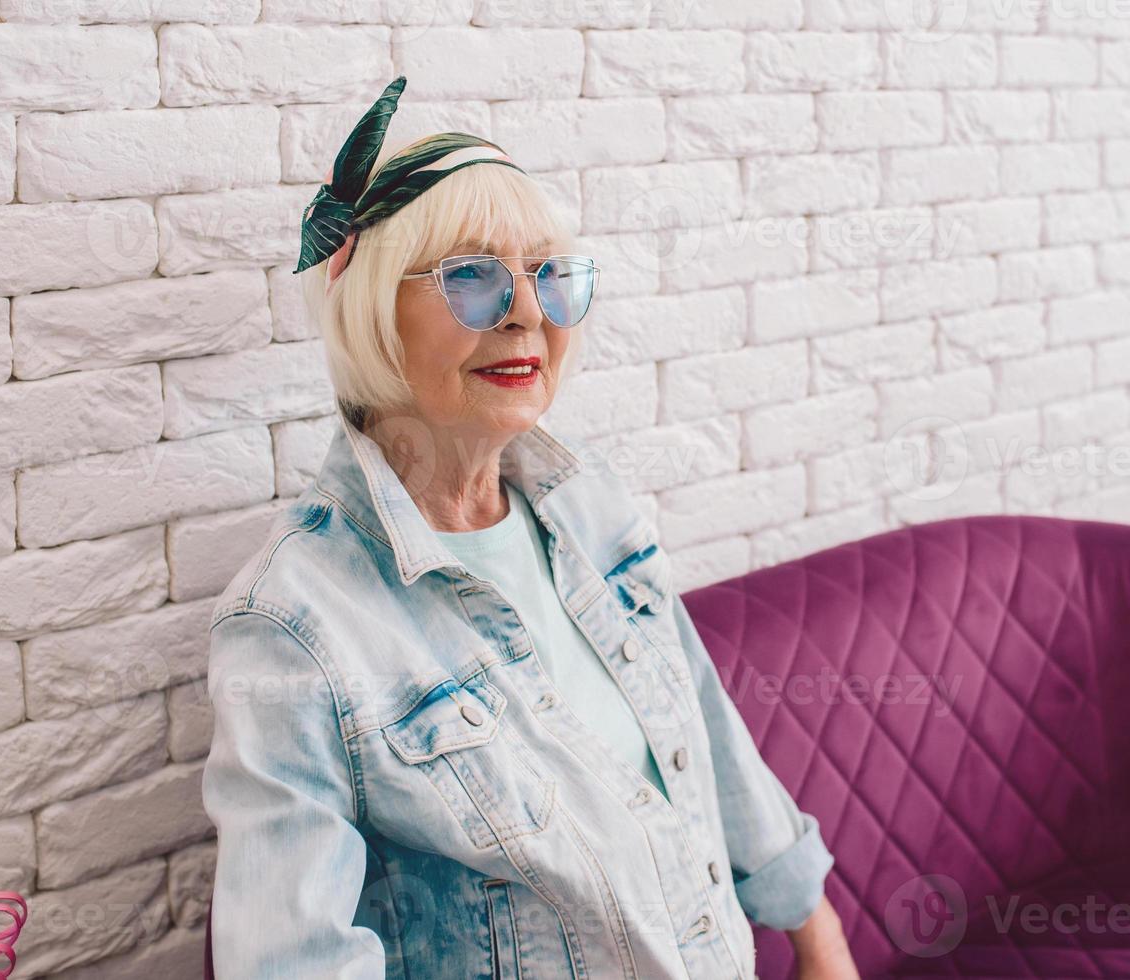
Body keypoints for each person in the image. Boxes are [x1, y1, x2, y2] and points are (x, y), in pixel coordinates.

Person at [202, 75, 857, 979]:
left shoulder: (592, 506)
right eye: (471, 277)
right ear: (372, 309)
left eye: (549, 275)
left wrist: (819, 944)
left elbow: (704, 730)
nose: (525, 313)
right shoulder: (293, 630)